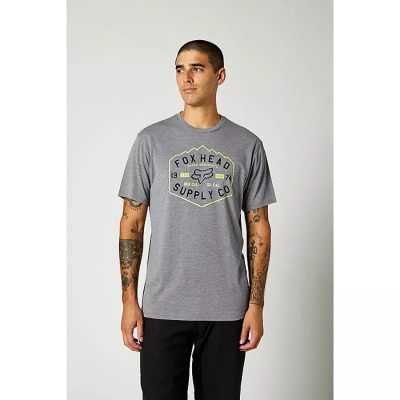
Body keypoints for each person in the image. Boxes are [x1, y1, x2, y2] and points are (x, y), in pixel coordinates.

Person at [118, 39, 277, 400]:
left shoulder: (247, 144)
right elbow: (131, 224)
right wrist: (129, 301)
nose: (186, 78)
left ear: (220, 76)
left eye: (197, 68)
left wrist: (255, 305)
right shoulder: (151, 140)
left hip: (227, 308)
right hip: (163, 305)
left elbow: (259, 227)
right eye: (179, 69)